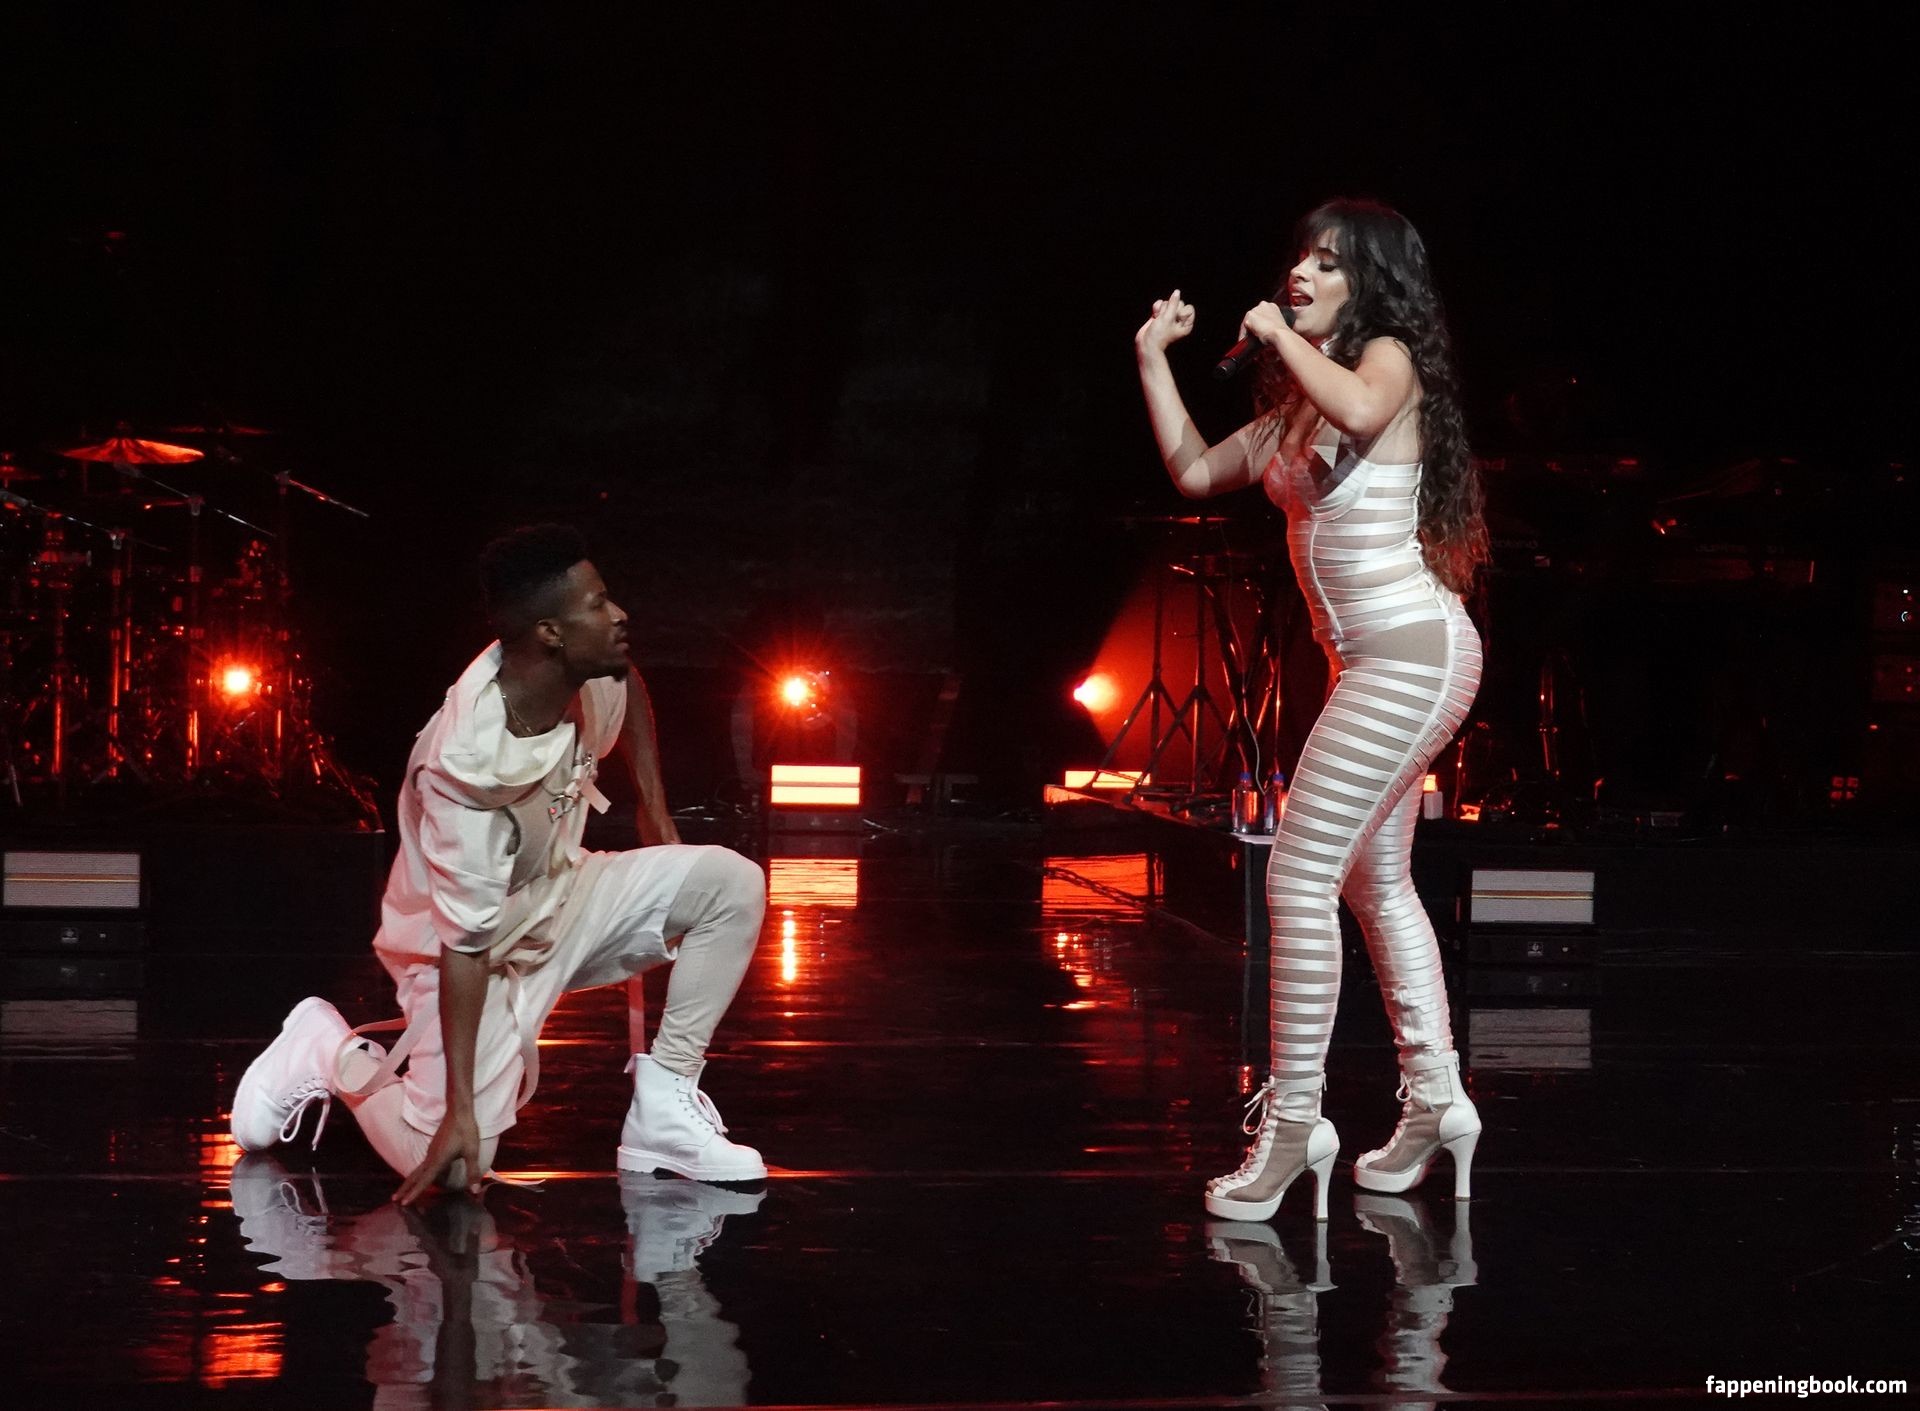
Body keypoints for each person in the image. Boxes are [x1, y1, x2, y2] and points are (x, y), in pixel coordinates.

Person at [229, 523, 769, 1201]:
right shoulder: (466, 771)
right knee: (458, 1165)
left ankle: (663, 1108)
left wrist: (653, 807)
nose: (618, 615)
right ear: (550, 632)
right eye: (598, 604)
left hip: (560, 893)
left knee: (731, 884)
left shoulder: (578, 669)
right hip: (458, 950)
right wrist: (460, 1112)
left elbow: (624, 681)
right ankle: (328, 1049)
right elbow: (465, 947)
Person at [1134, 199, 1488, 1220]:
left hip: (1412, 657)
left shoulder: (1387, 363)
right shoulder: (1297, 411)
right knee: (1376, 880)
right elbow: (1195, 470)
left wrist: (1280, 337)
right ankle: (1437, 1099)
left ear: (1369, 284)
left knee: (1296, 875)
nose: (1302, 273)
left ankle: (1294, 1123)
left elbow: (1366, 412)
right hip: (1372, 666)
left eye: (1328, 263)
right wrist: (1154, 360)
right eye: (1300, 258)